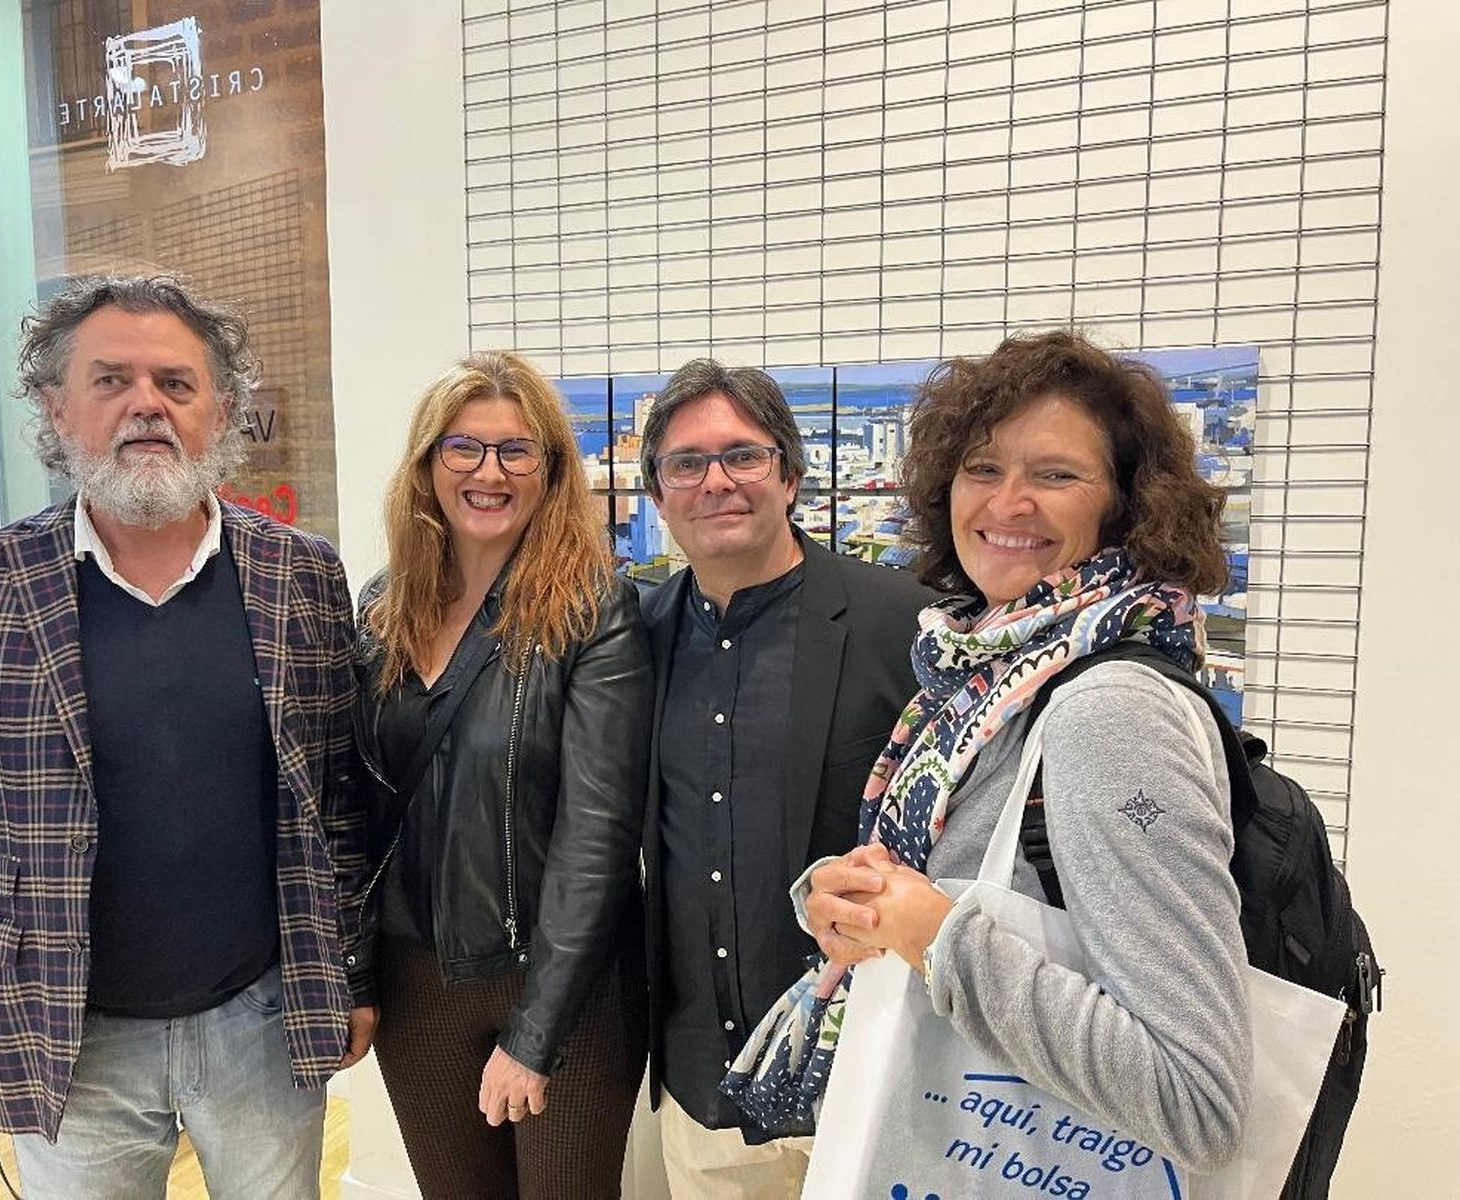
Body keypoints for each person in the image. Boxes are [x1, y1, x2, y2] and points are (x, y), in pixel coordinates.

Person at [0, 274, 374, 1200]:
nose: (148, 405)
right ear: (56, 407)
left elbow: (340, 804)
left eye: (176, 384)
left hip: (261, 1020)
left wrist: (353, 972)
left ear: (220, 411)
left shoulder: (302, 576)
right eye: (112, 381)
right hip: (66, 1034)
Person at [725, 329, 1253, 1171]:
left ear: (1124, 504)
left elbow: (1198, 1101)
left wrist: (938, 937)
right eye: (982, 469)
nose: (1007, 505)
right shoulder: (988, 672)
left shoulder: (1107, 710)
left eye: (1056, 474)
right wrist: (860, 906)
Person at [355, 350, 649, 1199]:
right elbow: (353, 811)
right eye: (464, 449)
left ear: (551, 470)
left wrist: (536, 1032)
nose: (490, 472)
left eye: (517, 450)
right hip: (417, 982)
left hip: (561, 980)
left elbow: (597, 836)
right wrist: (353, 976)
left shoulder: (593, 607)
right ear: (427, 464)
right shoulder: (383, 606)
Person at [637, 359, 930, 1197]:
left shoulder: (900, 624)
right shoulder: (638, 638)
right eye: (686, 463)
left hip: (866, 1081)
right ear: (659, 496)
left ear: (791, 476)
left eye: (744, 456)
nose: (716, 481)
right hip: (705, 1088)